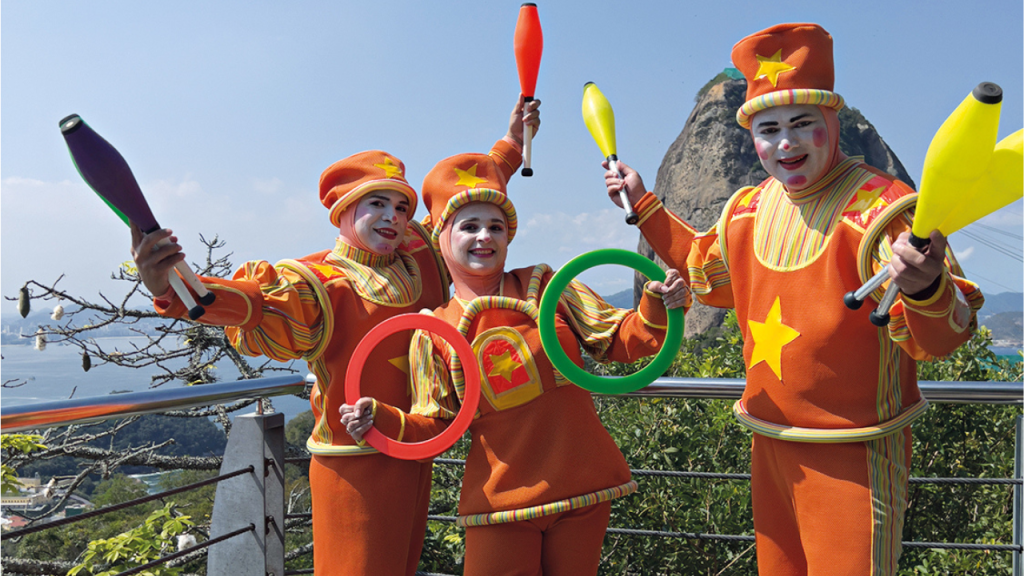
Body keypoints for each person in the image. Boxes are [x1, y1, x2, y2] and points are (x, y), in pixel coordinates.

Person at [605, 22, 984, 576]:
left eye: (803, 123)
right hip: (770, 441)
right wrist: (642, 204)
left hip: (855, 451)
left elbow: (943, 338)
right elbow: (708, 274)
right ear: (752, 138)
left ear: (832, 122)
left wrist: (925, 287)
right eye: (769, 129)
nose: (786, 143)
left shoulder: (885, 210)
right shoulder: (747, 209)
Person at [130, 97, 539, 576]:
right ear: (344, 211)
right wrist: (170, 287)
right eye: (376, 204)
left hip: (416, 445)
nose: (393, 217)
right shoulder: (320, 281)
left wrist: (513, 143)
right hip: (354, 460)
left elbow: (462, 201)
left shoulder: (420, 252)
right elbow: (250, 302)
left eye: (401, 206)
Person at [340, 149, 690, 575]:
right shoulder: (433, 330)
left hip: (582, 490)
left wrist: (657, 303)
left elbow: (620, 340)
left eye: (496, 227)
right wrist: (377, 419)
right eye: (469, 226)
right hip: (499, 503)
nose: (484, 237)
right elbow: (436, 426)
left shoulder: (545, 285)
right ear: (442, 236)